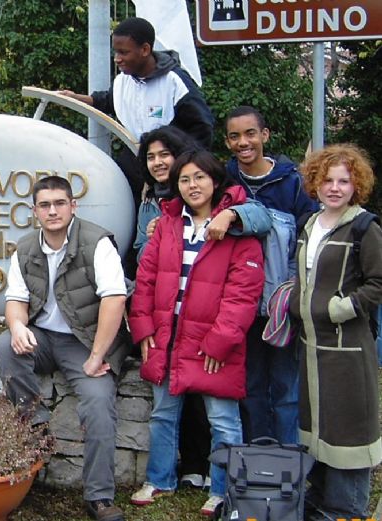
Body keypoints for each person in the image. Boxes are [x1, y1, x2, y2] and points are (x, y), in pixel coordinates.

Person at [133, 126, 271, 491]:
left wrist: (220, 342)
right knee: (163, 415)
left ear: (215, 180)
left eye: (199, 177)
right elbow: (146, 279)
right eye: (184, 180)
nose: (192, 185)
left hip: (212, 341)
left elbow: (243, 295)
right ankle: (159, 480)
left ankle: (223, 489)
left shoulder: (237, 229)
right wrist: (144, 329)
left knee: (223, 419)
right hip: (167, 335)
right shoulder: (166, 224)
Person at [0, 176, 128, 521]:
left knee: (98, 403)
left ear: (73, 206)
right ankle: (36, 427)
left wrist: (98, 355)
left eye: (59, 203)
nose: (52, 211)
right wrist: (18, 326)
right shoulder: (25, 248)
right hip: (44, 337)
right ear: (34, 211)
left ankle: (99, 496)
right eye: (44, 205)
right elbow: (15, 299)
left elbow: (114, 299)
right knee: (5, 347)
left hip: (85, 340)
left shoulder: (96, 242)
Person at [290, 144, 382, 521]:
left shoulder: (364, 227)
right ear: (315, 182)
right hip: (312, 345)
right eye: (327, 179)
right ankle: (321, 499)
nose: (335, 187)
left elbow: (378, 282)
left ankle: (345, 509)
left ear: (356, 184)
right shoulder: (310, 224)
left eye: (344, 180)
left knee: (349, 430)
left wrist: (339, 309)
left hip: (348, 347)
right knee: (320, 426)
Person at [224, 106, 320, 444]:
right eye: (234, 136)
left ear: (264, 135)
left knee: (286, 386)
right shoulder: (225, 180)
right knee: (249, 385)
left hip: (282, 302)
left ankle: (288, 460)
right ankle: (256, 460)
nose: (243, 142)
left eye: (250, 133)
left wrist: (296, 291)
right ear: (227, 142)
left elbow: (310, 237)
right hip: (241, 303)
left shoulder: (293, 183)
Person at [61, 17, 213, 149]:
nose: (117, 59)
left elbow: (202, 126)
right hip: (136, 161)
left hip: (171, 168)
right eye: (116, 52)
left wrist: (182, 165)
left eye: (124, 52)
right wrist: (75, 98)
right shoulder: (122, 80)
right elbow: (109, 100)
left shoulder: (174, 81)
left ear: (145, 49)